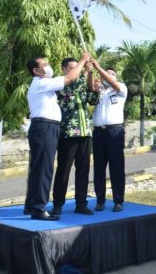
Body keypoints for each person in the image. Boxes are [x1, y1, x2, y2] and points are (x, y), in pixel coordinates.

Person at [24, 51, 91, 221]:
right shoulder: (41, 83)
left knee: (39, 168)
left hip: (47, 127)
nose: (48, 66)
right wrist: (82, 60)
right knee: (44, 169)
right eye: (44, 65)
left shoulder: (43, 83)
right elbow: (69, 79)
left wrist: (85, 71)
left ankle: (32, 205)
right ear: (36, 71)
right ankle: (38, 208)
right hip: (44, 127)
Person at [49, 58, 100, 216]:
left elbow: (93, 98)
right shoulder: (60, 83)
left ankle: (81, 204)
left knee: (83, 170)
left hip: (85, 133)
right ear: (64, 69)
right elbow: (74, 83)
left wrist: (90, 72)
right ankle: (57, 204)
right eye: (73, 68)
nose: (76, 70)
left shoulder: (81, 84)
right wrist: (85, 66)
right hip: (68, 133)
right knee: (64, 170)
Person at [91, 58, 128, 212]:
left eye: (112, 74)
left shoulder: (121, 89)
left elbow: (112, 83)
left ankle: (118, 200)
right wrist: (91, 75)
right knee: (99, 167)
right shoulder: (98, 92)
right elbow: (90, 93)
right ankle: (100, 200)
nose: (109, 76)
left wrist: (98, 67)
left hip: (115, 131)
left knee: (116, 167)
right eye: (107, 74)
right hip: (99, 132)